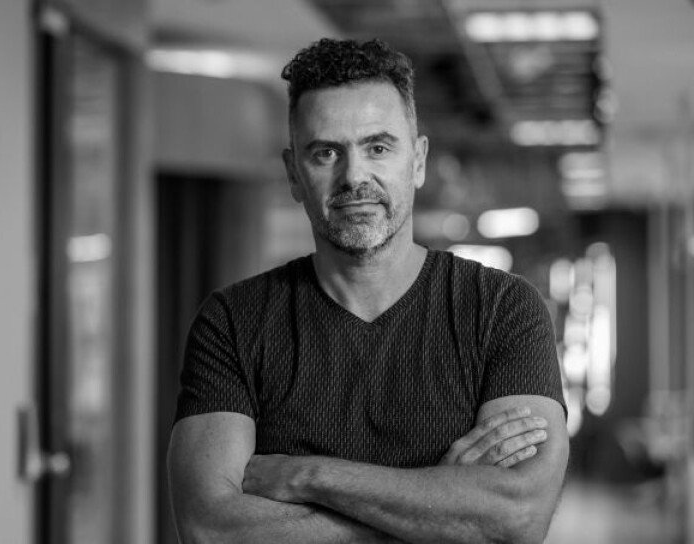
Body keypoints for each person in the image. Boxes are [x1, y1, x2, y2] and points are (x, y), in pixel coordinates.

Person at [167, 37, 568, 544]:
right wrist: (440, 512)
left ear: (417, 161)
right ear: (294, 174)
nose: (354, 176)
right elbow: (210, 528)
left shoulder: (502, 309)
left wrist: (307, 476)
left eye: (378, 148)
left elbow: (517, 517)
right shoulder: (234, 321)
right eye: (326, 153)